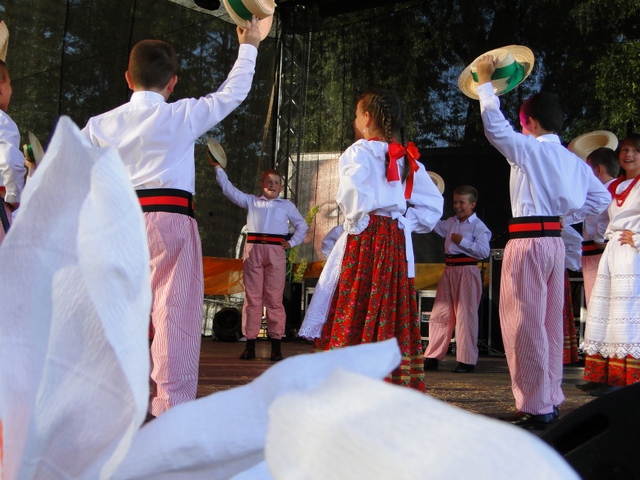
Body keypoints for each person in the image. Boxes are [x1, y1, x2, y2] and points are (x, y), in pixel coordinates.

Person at [81, 17, 263, 419]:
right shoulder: (183, 114)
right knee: (173, 315)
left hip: (116, 224)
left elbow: (76, 175)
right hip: (170, 220)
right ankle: (171, 411)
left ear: (128, 78)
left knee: (114, 311)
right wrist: (249, 45)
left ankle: (107, 404)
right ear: (173, 82)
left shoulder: (98, 125)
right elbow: (233, 93)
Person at [473, 54, 610, 428]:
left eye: (523, 123)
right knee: (548, 324)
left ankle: (536, 406)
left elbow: (495, 128)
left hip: (529, 242)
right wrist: (565, 217)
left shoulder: (530, 149)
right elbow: (601, 199)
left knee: (524, 323)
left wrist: (485, 85)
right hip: (553, 242)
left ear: (529, 122)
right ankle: (548, 398)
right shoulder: (572, 161)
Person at [298, 87, 444, 391]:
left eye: (355, 115)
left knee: (355, 300)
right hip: (394, 242)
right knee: (389, 305)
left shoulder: (359, 151)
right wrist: (402, 223)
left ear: (366, 118)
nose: (355, 121)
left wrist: (360, 224)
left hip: (366, 238)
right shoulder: (406, 159)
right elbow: (433, 206)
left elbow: (352, 195)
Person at [212, 163, 308, 361]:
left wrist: (291, 243)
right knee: (252, 298)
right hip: (253, 249)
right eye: (268, 181)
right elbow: (229, 190)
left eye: (276, 182)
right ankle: (250, 345)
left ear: (281, 187)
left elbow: (302, 225)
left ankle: (276, 345)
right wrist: (218, 169)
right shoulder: (252, 201)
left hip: (275, 251)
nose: (272, 185)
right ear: (262, 184)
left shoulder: (287, 206)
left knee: (274, 299)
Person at [581, 134, 640, 396]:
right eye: (625, 150)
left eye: (635, 151)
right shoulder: (617, 186)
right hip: (613, 251)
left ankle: (626, 379)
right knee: (605, 311)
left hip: (633, 254)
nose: (629, 155)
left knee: (626, 312)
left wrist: (637, 238)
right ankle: (605, 375)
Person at [423, 185, 491, 373]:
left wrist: (463, 242)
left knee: (465, 316)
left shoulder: (478, 226)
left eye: (462, 202)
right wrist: (427, 201)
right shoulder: (450, 222)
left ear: (472, 204)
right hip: (450, 270)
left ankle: (467, 360)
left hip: (467, 270)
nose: (457, 206)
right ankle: (432, 356)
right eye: (455, 202)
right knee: (440, 313)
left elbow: (484, 251)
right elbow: (434, 224)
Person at [0, 59, 27, 243]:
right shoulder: (2, 121)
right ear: (1, 87)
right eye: (10, 84)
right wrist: (14, 198)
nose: (11, 91)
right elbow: (9, 160)